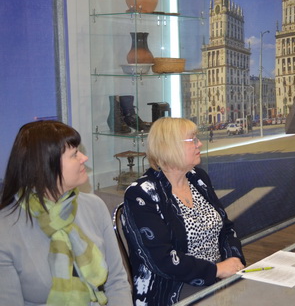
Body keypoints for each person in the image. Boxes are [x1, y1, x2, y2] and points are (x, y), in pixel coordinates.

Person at [0, 120, 131, 305]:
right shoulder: (6, 230)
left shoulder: (94, 207)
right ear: (45, 165)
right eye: (74, 154)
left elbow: (117, 282)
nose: (84, 158)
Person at [122, 117, 246, 305]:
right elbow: (161, 260)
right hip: (170, 289)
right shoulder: (141, 194)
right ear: (169, 146)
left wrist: (233, 260)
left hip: (216, 280)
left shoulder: (198, 178)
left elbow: (226, 228)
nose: (200, 144)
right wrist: (216, 270)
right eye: (193, 140)